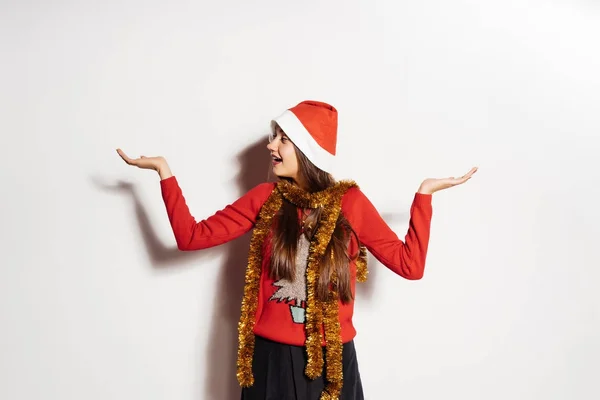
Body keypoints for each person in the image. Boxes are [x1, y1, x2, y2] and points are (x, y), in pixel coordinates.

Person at [116, 100, 477, 400]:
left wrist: (424, 196)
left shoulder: (349, 203)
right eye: (274, 137)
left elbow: (409, 265)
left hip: (333, 361)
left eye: (283, 139)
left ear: (305, 149)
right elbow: (191, 237)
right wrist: (164, 171)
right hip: (270, 360)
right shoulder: (264, 198)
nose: (271, 145)